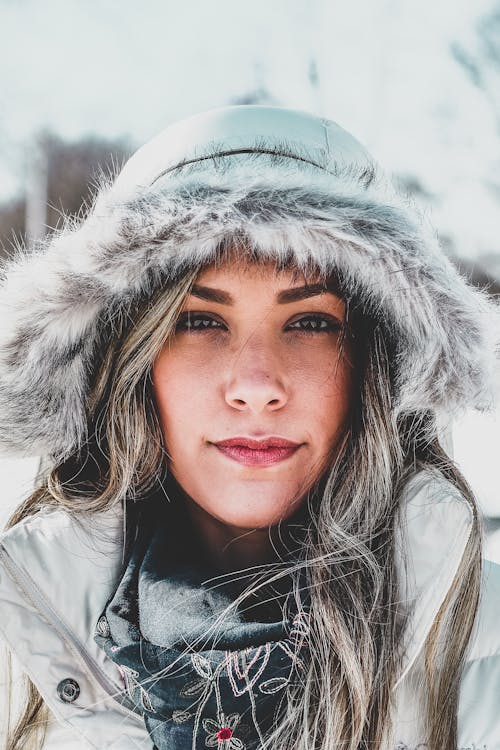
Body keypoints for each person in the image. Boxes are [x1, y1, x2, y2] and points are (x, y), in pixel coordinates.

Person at [0, 104, 499, 750]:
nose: (257, 385)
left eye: (312, 322)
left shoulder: (482, 671)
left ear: (378, 366)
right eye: (200, 320)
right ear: (132, 360)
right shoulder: (20, 657)